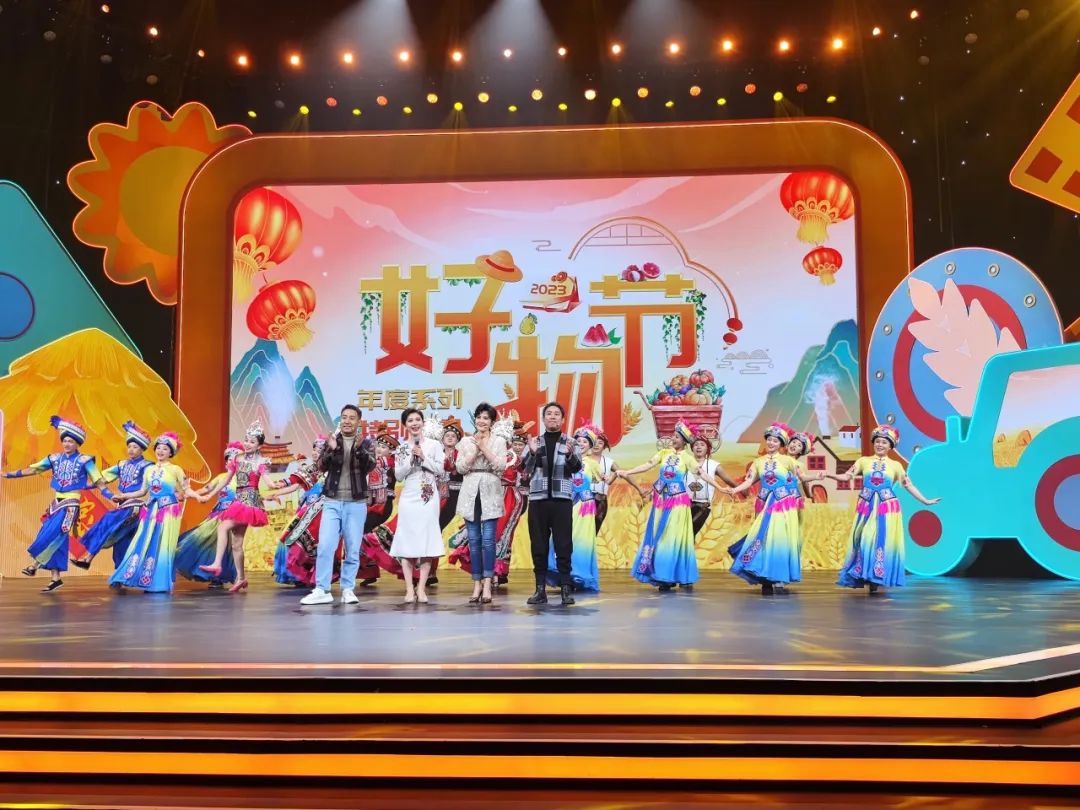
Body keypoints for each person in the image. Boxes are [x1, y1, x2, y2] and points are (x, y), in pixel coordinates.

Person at [827, 425, 940, 594]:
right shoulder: (863, 461)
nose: (880, 445)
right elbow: (847, 476)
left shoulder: (895, 465)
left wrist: (925, 500)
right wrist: (830, 475)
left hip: (886, 507)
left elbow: (908, 485)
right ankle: (865, 574)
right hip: (867, 506)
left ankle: (876, 577)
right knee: (864, 538)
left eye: (884, 442)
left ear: (890, 446)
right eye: (878, 441)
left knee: (880, 540)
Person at [4, 416, 108, 593]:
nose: (67, 444)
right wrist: (9, 475)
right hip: (56, 503)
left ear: (77, 443)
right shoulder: (54, 458)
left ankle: (34, 565)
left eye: (71, 441)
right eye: (65, 440)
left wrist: (111, 495)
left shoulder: (85, 460)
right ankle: (55, 578)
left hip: (71, 504)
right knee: (56, 538)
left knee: (55, 533)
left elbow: (99, 481)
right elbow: (33, 469)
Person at [618, 422, 723, 592]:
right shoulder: (664, 453)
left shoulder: (687, 458)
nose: (673, 439)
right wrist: (628, 472)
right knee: (658, 537)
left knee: (672, 538)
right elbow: (647, 465)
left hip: (678, 502)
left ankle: (668, 576)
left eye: (677, 437)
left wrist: (719, 487)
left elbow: (702, 474)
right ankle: (661, 574)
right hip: (660, 501)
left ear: (684, 441)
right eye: (673, 436)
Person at [722, 422, 818, 595]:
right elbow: (749, 481)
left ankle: (776, 575)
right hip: (764, 503)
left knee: (778, 538)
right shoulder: (758, 462)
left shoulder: (788, 461)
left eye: (775, 440)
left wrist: (817, 476)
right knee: (763, 537)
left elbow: (802, 478)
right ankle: (764, 575)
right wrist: (734, 490)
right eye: (769, 439)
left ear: (781, 444)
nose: (771, 443)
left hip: (783, 505)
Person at [300, 404, 376, 606]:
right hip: (332, 501)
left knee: (352, 548)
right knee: (326, 545)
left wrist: (358, 448)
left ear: (358, 422)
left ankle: (348, 589)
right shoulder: (332, 440)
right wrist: (333, 449)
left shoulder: (366, 443)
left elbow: (370, 466)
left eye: (352, 418)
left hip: (356, 503)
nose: (347, 421)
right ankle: (322, 589)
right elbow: (321, 466)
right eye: (344, 417)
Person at [197, 420, 280, 593]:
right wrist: (209, 496)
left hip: (250, 501)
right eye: (246, 440)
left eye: (252, 442)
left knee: (223, 527)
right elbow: (225, 481)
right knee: (236, 543)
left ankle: (217, 563)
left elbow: (269, 482)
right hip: (238, 499)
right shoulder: (237, 458)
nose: (247, 444)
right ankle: (241, 578)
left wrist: (278, 486)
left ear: (259, 445)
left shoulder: (261, 462)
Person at [448, 420, 529, 586]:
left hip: (509, 498)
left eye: (520, 444)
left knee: (501, 534)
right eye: (515, 443)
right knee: (485, 533)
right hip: (491, 493)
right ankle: (486, 574)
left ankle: (497, 572)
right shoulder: (492, 453)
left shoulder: (514, 458)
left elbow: (522, 474)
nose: (516, 446)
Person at [109, 432, 192, 594]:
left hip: (168, 511)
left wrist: (195, 496)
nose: (161, 451)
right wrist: (124, 496)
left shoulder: (175, 469)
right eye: (158, 448)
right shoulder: (149, 469)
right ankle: (136, 576)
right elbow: (142, 491)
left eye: (165, 449)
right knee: (143, 541)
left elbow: (185, 491)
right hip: (151, 510)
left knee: (163, 545)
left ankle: (158, 582)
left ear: (171, 452)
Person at [71, 421, 155, 571]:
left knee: (106, 523)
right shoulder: (122, 465)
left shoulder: (148, 466)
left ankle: (88, 558)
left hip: (135, 506)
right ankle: (120, 573)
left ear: (142, 449)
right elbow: (102, 477)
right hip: (123, 506)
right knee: (122, 540)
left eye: (135, 447)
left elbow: (154, 485)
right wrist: (83, 485)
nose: (131, 449)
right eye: (129, 446)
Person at [521, 401, 582, 606]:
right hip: (538, 500)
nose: (553, 417)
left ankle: (565, 588)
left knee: (563, 545)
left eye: (557, 414)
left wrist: (571, 455)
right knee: (538, 545)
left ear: (562, 419)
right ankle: (540, 590)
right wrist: (531, 452)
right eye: (549, 414)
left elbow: (576, 468)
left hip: (561, 500)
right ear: (543, 418)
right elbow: (525, 470)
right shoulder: (534, 442)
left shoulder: (571, 442)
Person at [389, 409, 446, 603]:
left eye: (417, 420)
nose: (414, 423)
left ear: (423, 422)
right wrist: (409, 461)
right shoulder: (402, 448)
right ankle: (408, 589)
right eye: (410, 420)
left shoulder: (434, 445)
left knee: (426, 541)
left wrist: (423, 457)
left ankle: (421, 588)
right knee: (407, 541)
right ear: (405, 425)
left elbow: (440, 470)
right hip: (409, 496)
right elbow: (398, 475)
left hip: (428, 495)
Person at [456, 403, 511, 604]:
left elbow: (501, 466)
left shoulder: (499, 441)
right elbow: (460, 468)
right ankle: (476, 583)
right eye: (479, 417)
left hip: (491, 490)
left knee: (488, 540)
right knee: (473, 540)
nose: (482, 421)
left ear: (492, 422)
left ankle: (487, 583)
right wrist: (473, 453)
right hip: (470, 491)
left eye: (486, 418)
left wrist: (483, 448)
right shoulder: (465, 441)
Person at [174, 441, 244, 589]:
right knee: (202, 537)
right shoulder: (221, 477)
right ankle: (209, 573)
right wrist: (187, 495)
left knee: (228, 546)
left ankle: (221, 577)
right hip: (217, 514)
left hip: (234, 515)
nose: (229, 462)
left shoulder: (243, 478)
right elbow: (206, 489)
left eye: (232, 459)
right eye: (227, 459)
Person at [547, 423, 601, 592]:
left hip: (584, 506)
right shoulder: (565, 459)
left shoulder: (593, 464)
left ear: (590, 446)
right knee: (563, 537)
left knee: (582, 539)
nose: (581, 444)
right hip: (567, 503)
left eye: (585, 441)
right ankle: (563, 574)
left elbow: (601, 480)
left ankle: (578, 574)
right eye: (578, 441)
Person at [270, 436, 327, 586]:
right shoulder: (311, 469)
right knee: (291, 538)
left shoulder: (331, 470)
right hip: (307, 511)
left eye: (319, 450)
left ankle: (311, 576)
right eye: (314, 449)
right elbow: (295, 484)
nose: (315, 453)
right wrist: (277, 491)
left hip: (323, 513)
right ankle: (296, 575)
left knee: (313, 545)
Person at [686, 435, 737, 537]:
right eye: (696, 445)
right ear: (692, 448)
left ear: (707, 449)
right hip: (684, 505)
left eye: (702, 444)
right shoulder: (685, 463)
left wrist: (743, 490)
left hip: (703, 506)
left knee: (690, 534)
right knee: (682, 535)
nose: (698, 447)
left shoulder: (714, 465)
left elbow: (729, 480)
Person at [589, 430, 619, 533]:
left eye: (600, 443)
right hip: (584, 499)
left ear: (605, 446)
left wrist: (640, 489)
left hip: (600, 501)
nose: (596, 445)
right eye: (594, 442)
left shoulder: (609, 462)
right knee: (580, 529)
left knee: (594, 531)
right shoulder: (583, 459)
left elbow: (622, 472)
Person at [437, 417, 465, 530]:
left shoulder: (462, 455)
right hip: (436, 494)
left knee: (442, 523)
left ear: (457, 440)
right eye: (447, 435)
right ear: (442, 439)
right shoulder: (437, 454)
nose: (450, 438)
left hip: (454, 495)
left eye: (453, 436)